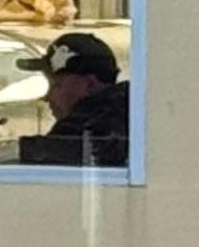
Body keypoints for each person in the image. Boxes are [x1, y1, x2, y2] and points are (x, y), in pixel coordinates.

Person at [20, 28, 128, 166]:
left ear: (89, 85)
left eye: (56, 85)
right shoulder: (132, 115)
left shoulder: (82, 128)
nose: (47, 97)